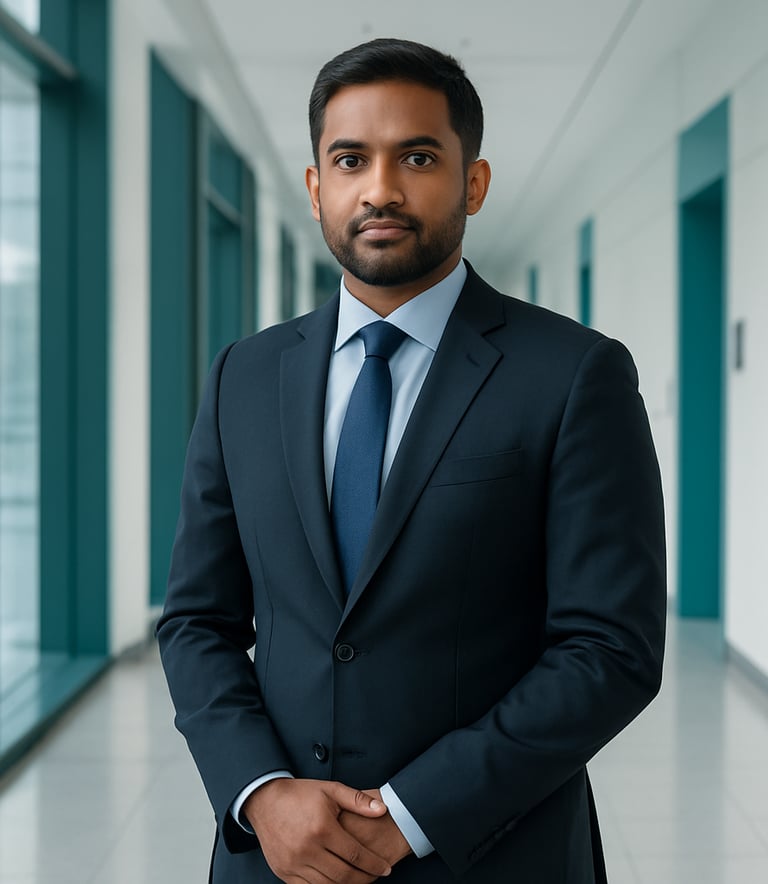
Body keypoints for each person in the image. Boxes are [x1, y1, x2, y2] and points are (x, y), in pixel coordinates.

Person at [157, 37, 666, 884]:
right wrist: (262, 793)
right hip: (273, 859)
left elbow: (609, 648)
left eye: (418, 156)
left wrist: (411, 814)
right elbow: (196, 621)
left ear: (473, 182)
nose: (380, 188)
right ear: (317, 187)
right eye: (350, 159)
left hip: (495, 852)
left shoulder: (574, 374)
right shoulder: (244, 375)